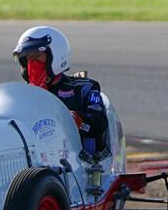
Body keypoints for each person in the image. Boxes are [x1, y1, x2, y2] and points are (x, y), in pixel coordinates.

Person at [13, 26, 110, 162]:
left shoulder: (84, 87)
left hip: (79, 165)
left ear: (57, 55)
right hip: (36, 162)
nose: (32, 64)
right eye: (27, 59)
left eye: (36, 56)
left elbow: (99, 124)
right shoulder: (21, 96)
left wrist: (77, 121)